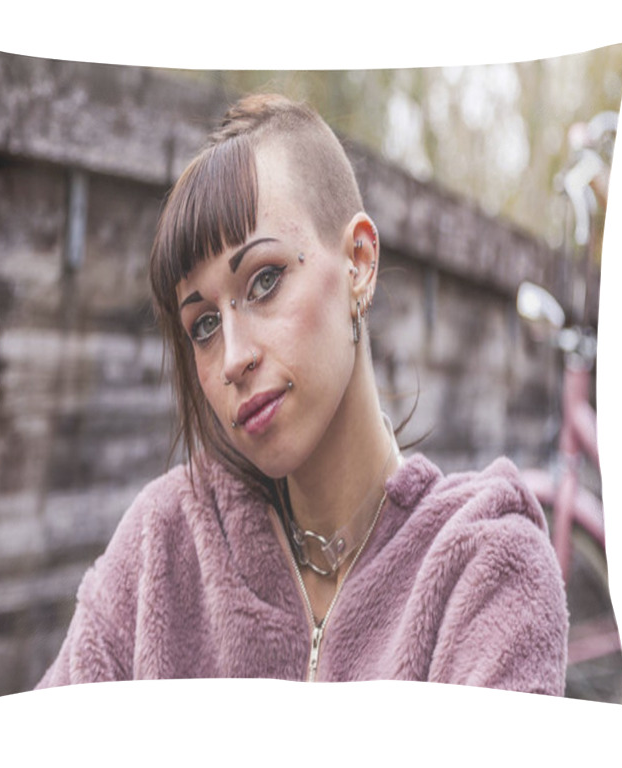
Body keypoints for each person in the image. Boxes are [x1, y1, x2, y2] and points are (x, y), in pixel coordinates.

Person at [36, 94, 568, 692]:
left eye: (265, 280)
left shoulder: (483, 569)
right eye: (204, 325)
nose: (234, 358)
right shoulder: (163, 551)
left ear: (359, 263)